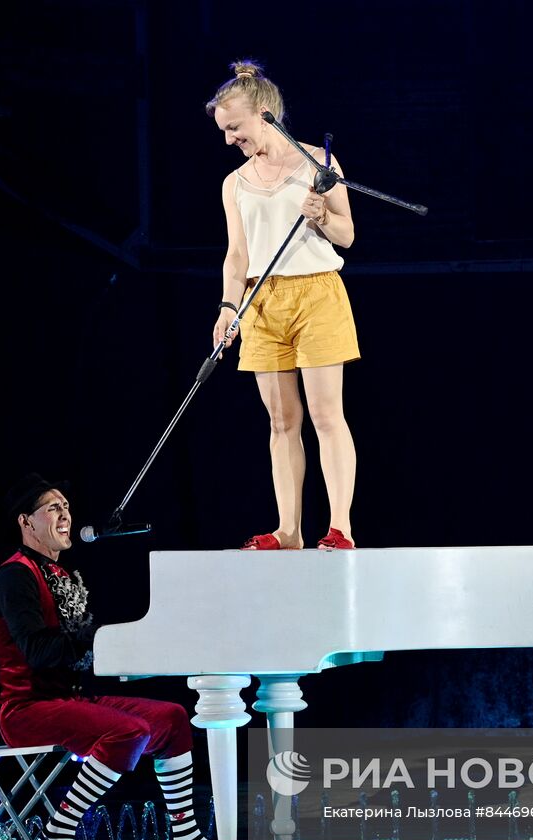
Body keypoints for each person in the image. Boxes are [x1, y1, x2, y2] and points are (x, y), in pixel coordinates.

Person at [0, 473, 217, 840]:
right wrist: (98, 637)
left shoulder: (58, 573)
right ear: (26, 521)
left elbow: (75, 644)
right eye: (53, 508)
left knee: (172, 718)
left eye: (66, 507)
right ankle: (59, 831)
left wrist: (120, 644)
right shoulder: (15, 576)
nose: (65, 515)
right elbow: (38, 652)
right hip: (26, 709)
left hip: (69, 698)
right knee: (129, 731)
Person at [207, 59, 359, 551]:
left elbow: (347, 234)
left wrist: (321, 218)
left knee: (326, 416)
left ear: (264, 114)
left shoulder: (319, 164)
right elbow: (237, 255)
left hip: (316, 293)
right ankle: (288, 531)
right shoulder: (235, 183)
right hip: (261, 301)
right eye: (224, 130)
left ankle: (340, 528)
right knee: (281, 421)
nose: (229, 139)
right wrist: (228, 308)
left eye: (234, 128)